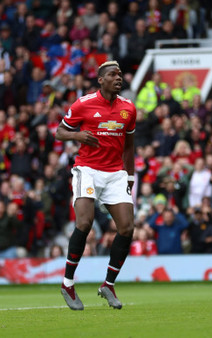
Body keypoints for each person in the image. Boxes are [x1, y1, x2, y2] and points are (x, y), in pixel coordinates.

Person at [56, 61, 136, 310]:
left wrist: (130, 178)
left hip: (115, 173)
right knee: (84, 222)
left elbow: (130, 146)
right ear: (101, 80)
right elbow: (59, 132)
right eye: (112, 74)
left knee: (126, 227)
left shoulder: (129, 109)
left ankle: (108, 285)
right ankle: (68, 284)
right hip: (87, 169)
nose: (118, 78)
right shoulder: (83, 104)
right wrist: (77, 135)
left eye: (120, 74)